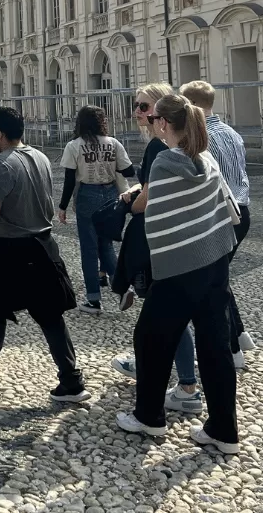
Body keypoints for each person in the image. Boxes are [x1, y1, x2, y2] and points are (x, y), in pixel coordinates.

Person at [116, 93, 239, 455]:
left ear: (165, 124)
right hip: (214, 260)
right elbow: (220, 205)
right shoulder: (205, 156)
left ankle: (149, 416)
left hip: (181, 267)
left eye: (154, 119)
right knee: (214, 346)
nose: (151, 124)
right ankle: (223, 429)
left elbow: (156, 215)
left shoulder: (167, 161)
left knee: (150, 338)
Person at [0, 107, 90, 403]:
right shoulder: (40, 157)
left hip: (8, 246)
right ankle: (71, 379)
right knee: (50, 315)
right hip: (43, 245)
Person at [110, 81, 203, 416]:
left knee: (162, 320)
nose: (138, 112)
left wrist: (130, 203)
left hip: (161, 243)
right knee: (167, 318)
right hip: (181, 245)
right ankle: (168, 377)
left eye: (145, 107)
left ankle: (180, 387)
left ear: (162, 116)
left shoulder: (160, 151)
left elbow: (149, 200)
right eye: (136, 105)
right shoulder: (174, 148)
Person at [180, 80, 257, 367]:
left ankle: (231, 347)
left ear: (191, 106)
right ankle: (239, 335)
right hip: (242, 209)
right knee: (217, 277)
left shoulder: (201, 138)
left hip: (222, 213)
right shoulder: (231, 133)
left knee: (213, 284)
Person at [57, 105, 134, 313]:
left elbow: (69, 180)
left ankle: (93, 299)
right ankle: (122, 288)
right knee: (106, 245)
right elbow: (128, 169)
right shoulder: (113, 143)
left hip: (87, 196)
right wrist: (107, 163)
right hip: (110, 194)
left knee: (89, 250)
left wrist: (63, 206)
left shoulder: (74, 146)